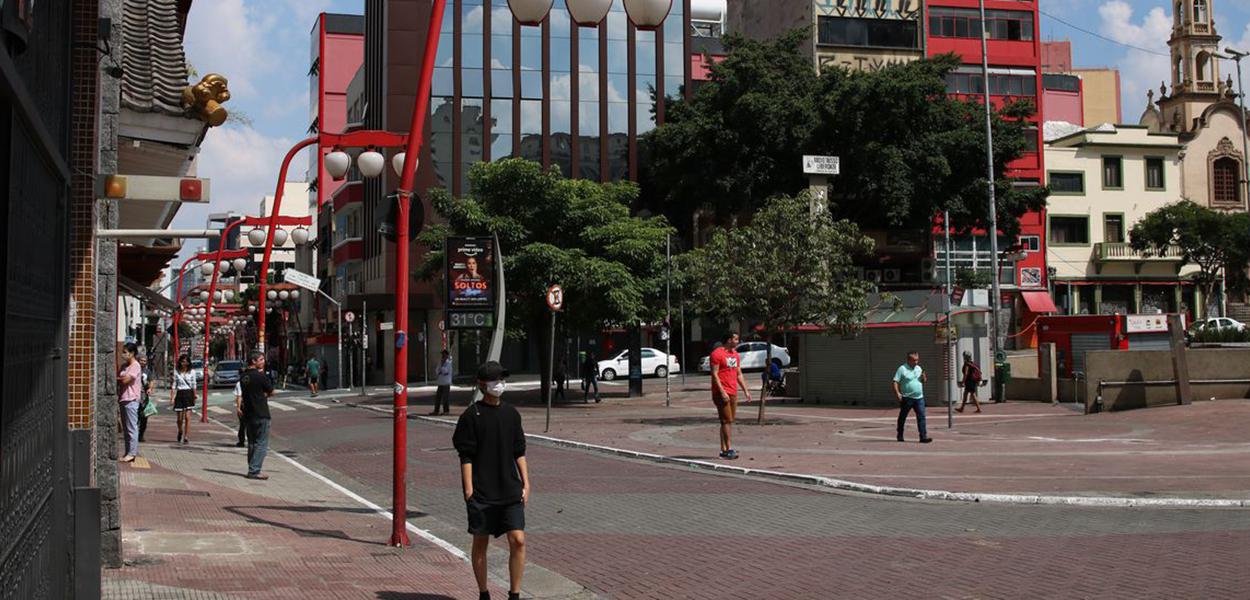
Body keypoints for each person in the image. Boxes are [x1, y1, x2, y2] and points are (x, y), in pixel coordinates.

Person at [452, 361, 530, 600]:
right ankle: (483, 593)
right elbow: (466, 455)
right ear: (482, 384)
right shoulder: (471, 416)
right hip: (482, 491)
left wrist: (526, 484)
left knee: (518, 540)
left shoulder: (511, 413)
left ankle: (514, 595)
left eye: (502, 379)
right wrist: (469, 491)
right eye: (495, 380)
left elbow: (519, 451)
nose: (500, 384)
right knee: (480, 542)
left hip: (510, 488)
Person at [709, 332, 751, 459]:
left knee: (727, 421)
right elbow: (715, 374)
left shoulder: (735, 355)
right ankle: (728, 449)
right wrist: (722, 391)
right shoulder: (717, 354)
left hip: (733, 392)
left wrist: (746, 390)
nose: (738, 341)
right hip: (721, 392)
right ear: (729, 340)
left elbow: (738, 374)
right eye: (736, 339)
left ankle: (723, 449)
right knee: (726, 420)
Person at [235, 351, 275, 479]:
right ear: (254, 361)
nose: (263, 362)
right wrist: (265, 395)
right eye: (261, 359)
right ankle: (254, 470)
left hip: (249, 413)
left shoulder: (243, 377)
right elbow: (271, 391)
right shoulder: (259, 376)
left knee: (252, 443)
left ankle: (252, 467)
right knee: (261, 443)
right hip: (261, 412)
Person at [893, 351, 932, 444]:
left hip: (919, 397)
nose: (916, 362)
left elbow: (923, 381)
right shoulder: (902, 369)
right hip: (907, 397)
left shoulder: (919, 368)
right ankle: (900, 434)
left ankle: (923, 437)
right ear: (909, 360)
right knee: (903, 416)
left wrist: (924, 378)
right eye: (914, 360)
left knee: (921, 416)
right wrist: (898, 393)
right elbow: (895, 381)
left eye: (917, 360)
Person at [117, 342, 143, 462]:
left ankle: (132, 453)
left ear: (132, 353)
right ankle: (127, 452)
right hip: (123, 398)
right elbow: (120, 378)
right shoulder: (124, 366)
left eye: (125, 352)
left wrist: (119, 379)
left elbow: (126, 380)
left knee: (132, 427)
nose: (123, 354)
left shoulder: (136, 366)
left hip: (131, 399)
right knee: (126, 428)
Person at [170, 353, 197, 444]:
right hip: (180, 393)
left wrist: (194, 395)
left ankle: (186, 436)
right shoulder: (176, 371)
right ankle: (180, 431)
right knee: (179, 419)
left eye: (185, 362)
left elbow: (194, 384)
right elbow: (174, 385)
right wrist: (172, 397)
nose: (184, 363)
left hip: (189, 393)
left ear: (189, 363)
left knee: (187, 417)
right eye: (182, 362)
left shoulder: (192, 372)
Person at [138, 355, 154, 442]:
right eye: (141, 360)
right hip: (135, 396)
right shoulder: (135, 369)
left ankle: (141, 435)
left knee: (144, 417)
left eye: (144, 361)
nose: (143, 362)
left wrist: (150, 388)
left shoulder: (148, 371)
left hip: (144, 397)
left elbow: (151, 381)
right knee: (136, 417)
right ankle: (135, 435)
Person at [431, 349, 453, 415]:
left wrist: (441, 369)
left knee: (445, 398)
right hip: (440, 382)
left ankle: (446, 411)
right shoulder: (440, 362)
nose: (442, 356)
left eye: (444, 354)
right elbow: (437, 371)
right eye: (442, 354)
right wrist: (440, 370)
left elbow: (445, 371)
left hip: (446, 383)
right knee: (438, 397)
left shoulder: (448, 363)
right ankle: (436, 410)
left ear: (447, 355)